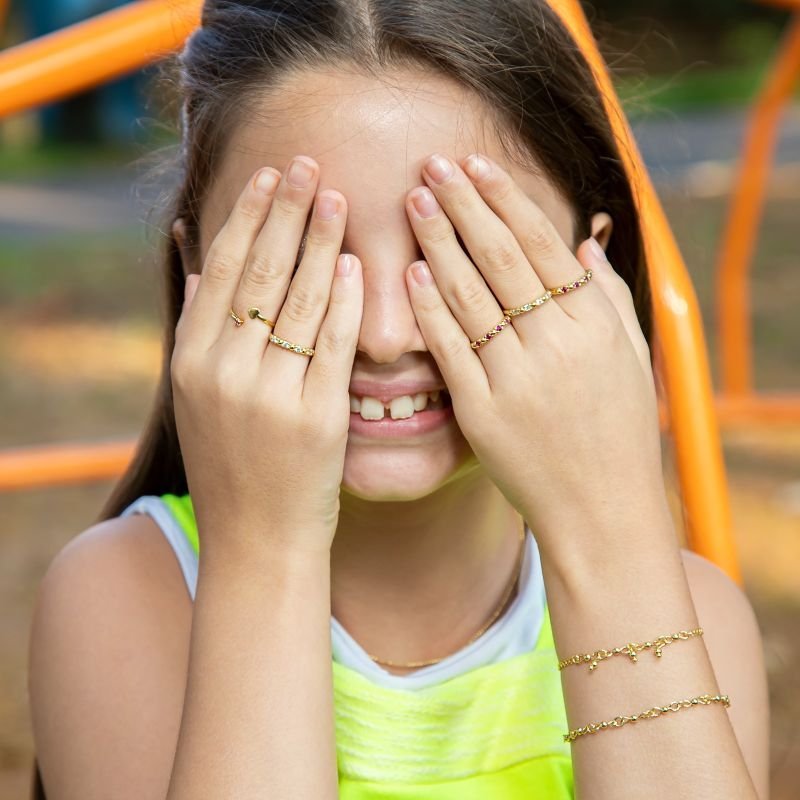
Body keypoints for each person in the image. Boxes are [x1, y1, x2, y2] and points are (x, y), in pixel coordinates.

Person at [27, 1, 770, 797]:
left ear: (596, 273)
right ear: (199, 268)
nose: (383, 335)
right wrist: (265, 554)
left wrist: (607, 536)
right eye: (306, 258)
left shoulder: (690, 615)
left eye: (458, 250)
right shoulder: (124, 600)